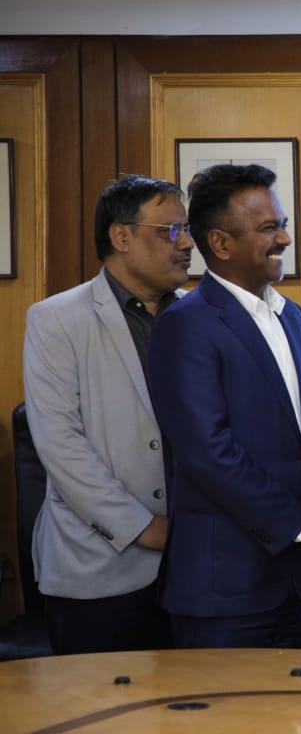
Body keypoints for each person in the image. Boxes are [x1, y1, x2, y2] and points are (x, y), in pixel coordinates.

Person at [147, 163, 301, 649]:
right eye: (269, 228)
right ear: (221, 243)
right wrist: (300, 526)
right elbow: (208, 452)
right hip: (224, 593)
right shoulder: (186, 325)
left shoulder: (293, 317)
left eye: (283, 225)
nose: (284, 239)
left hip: (297, 585)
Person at [23, 174, 192, 654]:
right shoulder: (57, 319)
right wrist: (140, 526)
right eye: (171, 230)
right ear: (121, 236)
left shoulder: (196, 317)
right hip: (98, 569)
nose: (187, 244)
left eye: (186, 230)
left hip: (193, 568)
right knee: (99, 702)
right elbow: (60, 445)